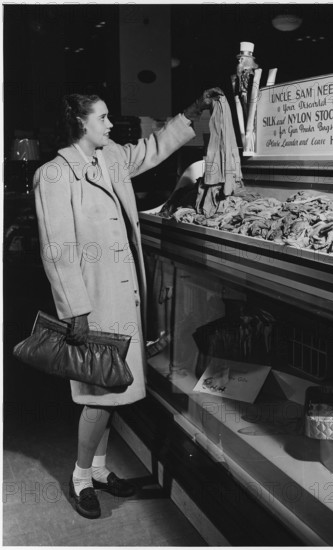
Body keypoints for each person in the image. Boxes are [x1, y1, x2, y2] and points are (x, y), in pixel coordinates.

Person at [33, 88, 223, 519]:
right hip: (92, 303)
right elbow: (57, 250)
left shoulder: (111, 157)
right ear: (81, 123)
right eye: (102, 118)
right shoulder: (55, 175)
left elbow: (152, 149)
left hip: (123, 298)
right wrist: (75, 310)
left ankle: (99, 469)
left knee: (114, 389)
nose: (110, 124)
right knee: (98, 396)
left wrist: (191, 114)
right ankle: (80, 476)